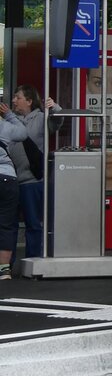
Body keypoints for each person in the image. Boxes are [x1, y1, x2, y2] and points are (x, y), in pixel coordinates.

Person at [4, 86, 47, 261]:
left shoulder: (40, 118)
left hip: (31, 181)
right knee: (9, 224)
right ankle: (7, 263)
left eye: (17, 97)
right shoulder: (11, 121)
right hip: (12, 180)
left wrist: (56, 107)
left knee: (33, 223)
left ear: (29, 101)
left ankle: (33, 261)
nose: (14, 100)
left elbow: (55, 123)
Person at [0, 103, 29, 280]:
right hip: (6, 178)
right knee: (6, 224)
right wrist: (9, 114)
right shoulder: (5, 126)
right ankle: (4, 270)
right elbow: (23, 133)